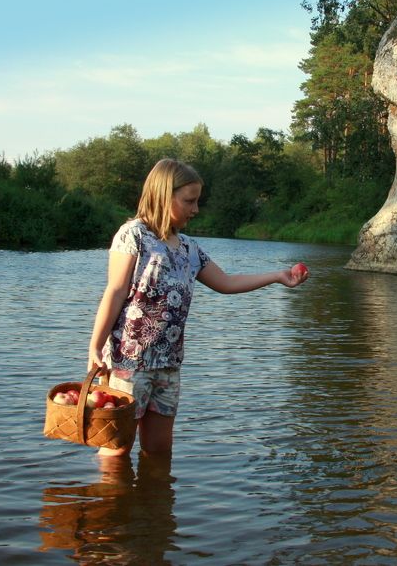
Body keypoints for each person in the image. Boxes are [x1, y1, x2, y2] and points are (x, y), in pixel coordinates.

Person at [87, 158, 309, 457]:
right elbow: (114, 292)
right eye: (189, 201)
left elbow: (226, 282)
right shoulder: (134, 236)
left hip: (168, 366)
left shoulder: (189, 248)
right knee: (115, 451)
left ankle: (154, 503)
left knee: (159, 453)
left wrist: (277, 277)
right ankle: (112, 502)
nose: (195, 209)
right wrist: (95, 346)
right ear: (164, 196)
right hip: (130, 364)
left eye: (197, 201)